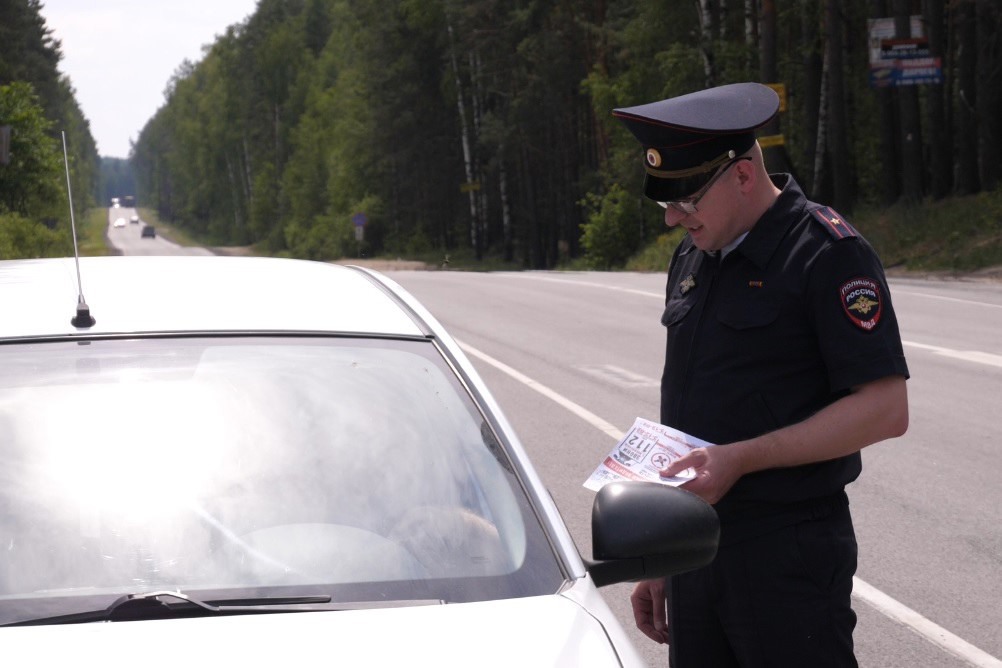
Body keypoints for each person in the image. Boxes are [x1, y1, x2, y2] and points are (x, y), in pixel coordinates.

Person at [612, 82, 910, 667]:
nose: (674, 218)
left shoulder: (827, 254)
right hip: (696, 552)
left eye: (687, 201)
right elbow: (693, 407)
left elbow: (885, 409)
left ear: (743, 176)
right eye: (664, 202)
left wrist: (743, 458)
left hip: (786, 556)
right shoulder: (696, 254)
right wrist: (664, 553)